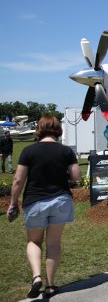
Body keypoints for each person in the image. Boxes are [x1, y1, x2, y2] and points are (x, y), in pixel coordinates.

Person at [7, 116, 81, 298]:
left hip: (36, 201)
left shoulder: (28, 151)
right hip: (61, 201)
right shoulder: (66, 151)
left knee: (34, 241)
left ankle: (36, 276)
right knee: (54, 244)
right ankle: (50, 285)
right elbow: (76, 177)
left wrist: (13, 203)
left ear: (39, 129)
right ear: (58, 129)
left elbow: (18, 180)